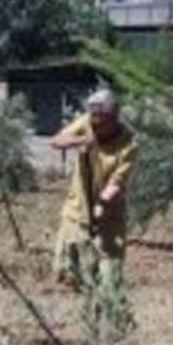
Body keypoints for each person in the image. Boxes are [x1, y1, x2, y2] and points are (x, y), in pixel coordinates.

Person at [50, 89, 138, 282]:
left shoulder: (129, 143)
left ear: (114, 118)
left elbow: (117, 182)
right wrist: (82, 140)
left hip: (108, 215)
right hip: (77, 209)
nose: (96, 124)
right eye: (93, 119)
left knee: (109, 271)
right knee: (70, 272)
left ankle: (107, 304)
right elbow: (57, 141)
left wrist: (101, 206)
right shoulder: (87, 123)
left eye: (102, 121)